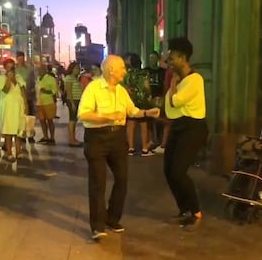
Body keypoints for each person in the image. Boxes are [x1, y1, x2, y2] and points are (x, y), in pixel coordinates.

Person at [78, 54, 160, 241]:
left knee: (122, 179)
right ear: (111, 70)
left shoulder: (121, 91)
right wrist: (106, 117)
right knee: (98, 183)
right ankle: (98, 226)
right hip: (97, 138)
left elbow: (132, 111)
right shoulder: (93, 88)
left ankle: (112, 218)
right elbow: (84, 114)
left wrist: (148, 112)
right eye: (122, 67)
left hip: (117, 138)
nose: (125, 70)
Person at [163, 37, 209, 231]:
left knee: (178, 171)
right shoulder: (181, 80)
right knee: (168, 169)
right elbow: (169, 105)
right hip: (179, 126)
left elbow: (175, 101)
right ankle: (184, 209)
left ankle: (195, 210)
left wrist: (173, 87)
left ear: (183, 58)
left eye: (172, 57)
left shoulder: (194, 79)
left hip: (193, 128)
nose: (169, 61)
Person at [122, 53, 155, 156]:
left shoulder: (126, 74)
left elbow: (124, 87)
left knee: (130, 124)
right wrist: (149, 95)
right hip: (142, 100)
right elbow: (146, 86)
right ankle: (144, 148)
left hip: (131, 101)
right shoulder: (144, 73)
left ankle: (131, 148)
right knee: (143, 125)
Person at [0, 58, 27, 162]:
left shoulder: (19, 77)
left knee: (18, 130)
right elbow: (5, 89)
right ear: (5, 68)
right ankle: (9, 153)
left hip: (18, 106)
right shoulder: (1, 78)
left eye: (12, 67)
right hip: (8, 107)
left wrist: (26, 105)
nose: (11, 70)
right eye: (8, 67)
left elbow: (23, 91)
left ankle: (19, 151)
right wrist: (8, 78)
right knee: (8, 131)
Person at [15, 51, 36, 143]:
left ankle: (30, 135)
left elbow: (33, 82)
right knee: (20, 117)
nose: (21, 60)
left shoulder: (29, 70)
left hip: (29, 96)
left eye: (22, 58)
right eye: (19, 58)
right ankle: (22, 135)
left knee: (30, 117)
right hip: (18, 97)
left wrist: (33, 92)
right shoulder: (14, 70)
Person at [36, 64, 58, 145]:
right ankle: (45, 137)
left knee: (49, 120)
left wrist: (44, 91)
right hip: (39, 102)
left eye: (41, 70)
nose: (39, 71)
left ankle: (52, 138)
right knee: (42, 121)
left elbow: (54, 91)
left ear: (45, 70)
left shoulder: (50, 79)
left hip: (48, 102)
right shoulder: (38, 79)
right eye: (38, 70)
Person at [63, 61, 83, 147]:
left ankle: (73, 138)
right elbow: (69, 91)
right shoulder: (69, 78)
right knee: (72, 120)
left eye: (78, 68)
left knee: (74, 120)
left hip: (77, 100)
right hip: (73, 100)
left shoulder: (75, 78)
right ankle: (71, 139)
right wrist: (72, 103)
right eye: (76, 68)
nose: (78, 70)